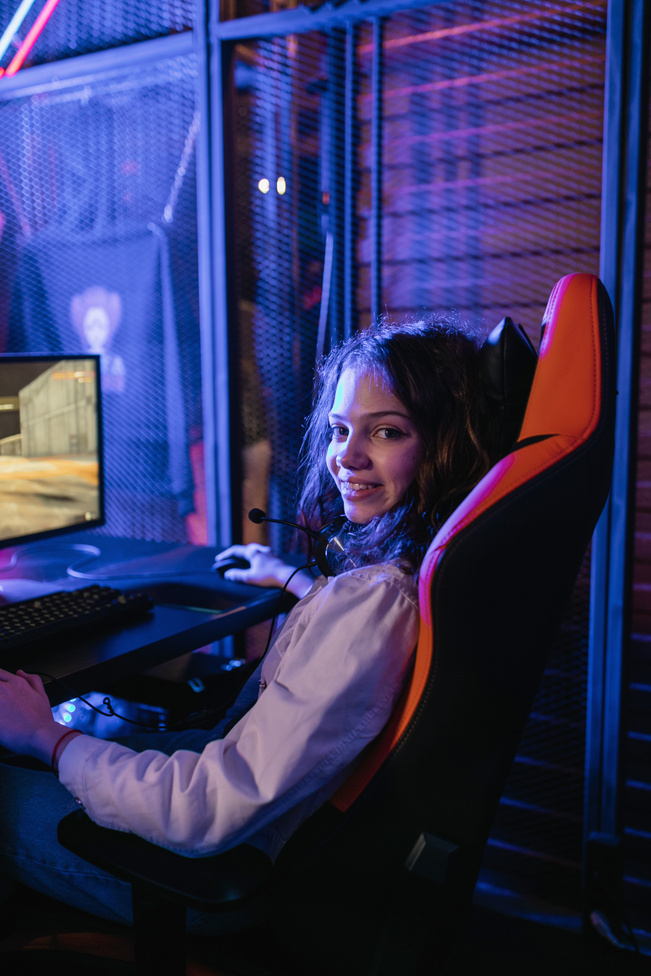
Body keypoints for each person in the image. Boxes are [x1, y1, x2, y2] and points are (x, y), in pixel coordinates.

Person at [0, 316, 494, 931]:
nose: (347, 456)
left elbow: (207, 809)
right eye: (340, 430)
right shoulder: (398, 585)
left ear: (447, 444)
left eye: (387, 432)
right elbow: (359, 644)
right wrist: (293, 580)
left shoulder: (374, 604)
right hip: (257, 824)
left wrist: (46, 737)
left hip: (218, 872)